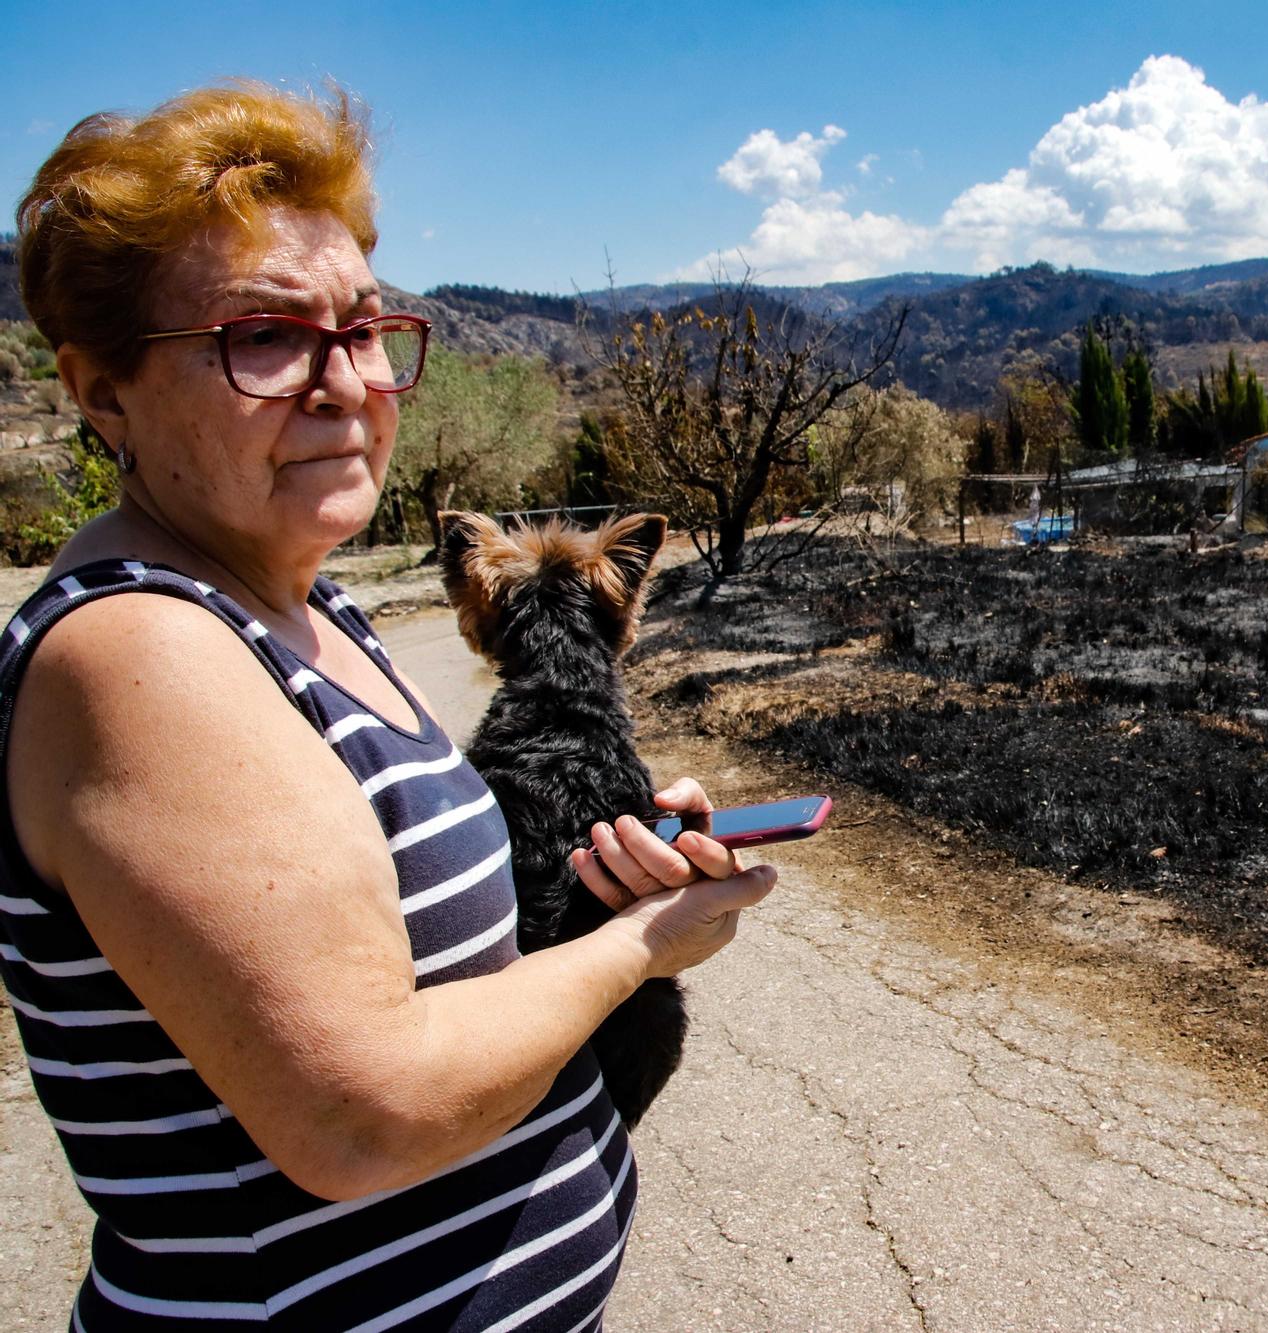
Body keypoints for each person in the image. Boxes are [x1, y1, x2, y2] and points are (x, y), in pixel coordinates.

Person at [0, 82, 774, 1329]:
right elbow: (359, 1115)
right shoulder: (140, 652)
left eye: (361, 330)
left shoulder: (305, 608)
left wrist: (609, 874)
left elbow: (416, 944)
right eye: (262, 337)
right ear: (101, 392)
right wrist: (642, 948)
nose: (343, 383)